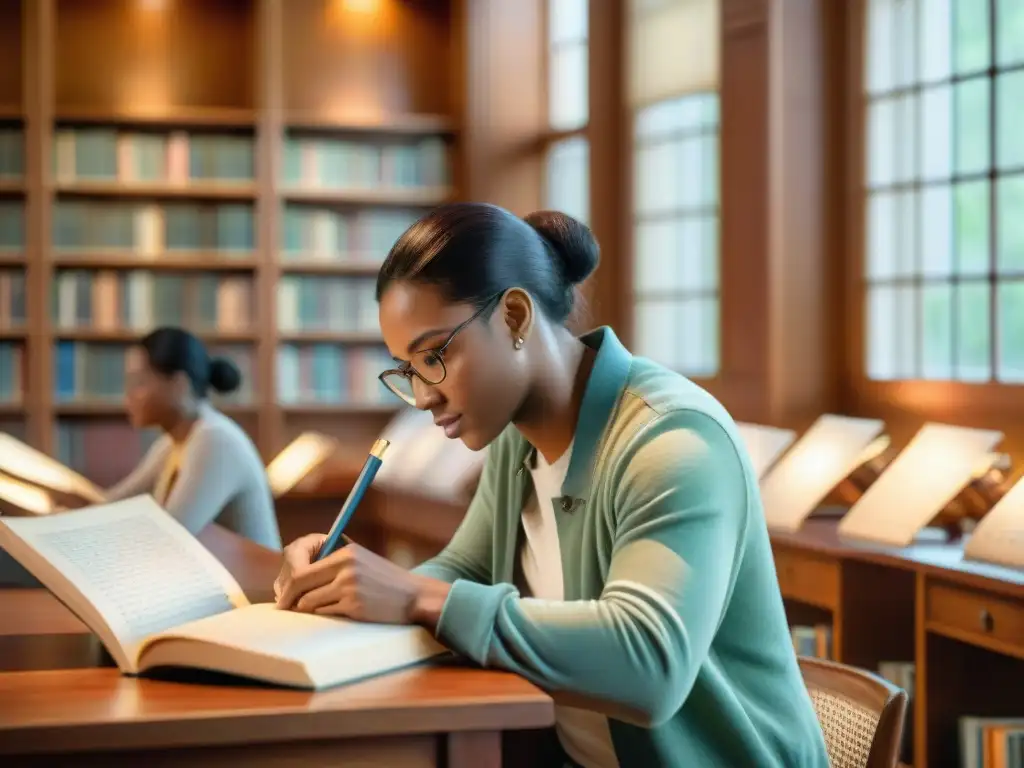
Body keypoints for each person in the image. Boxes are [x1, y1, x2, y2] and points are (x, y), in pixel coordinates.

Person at [273, 203, 830, 767]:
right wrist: (352, 587)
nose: (422, 397)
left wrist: (413, 596)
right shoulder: (517, 439)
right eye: (407, 370)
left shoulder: (673, 440)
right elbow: (462, 571)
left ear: (515, 316)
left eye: (435, 356)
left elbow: (648, 663)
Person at [105, 327, 281, 550]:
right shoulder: (172, 443)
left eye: (139, 383)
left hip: (253, 585)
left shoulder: (215, 440)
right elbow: (114, 503)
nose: (127, 396)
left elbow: (169, 536)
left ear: (180, 384)